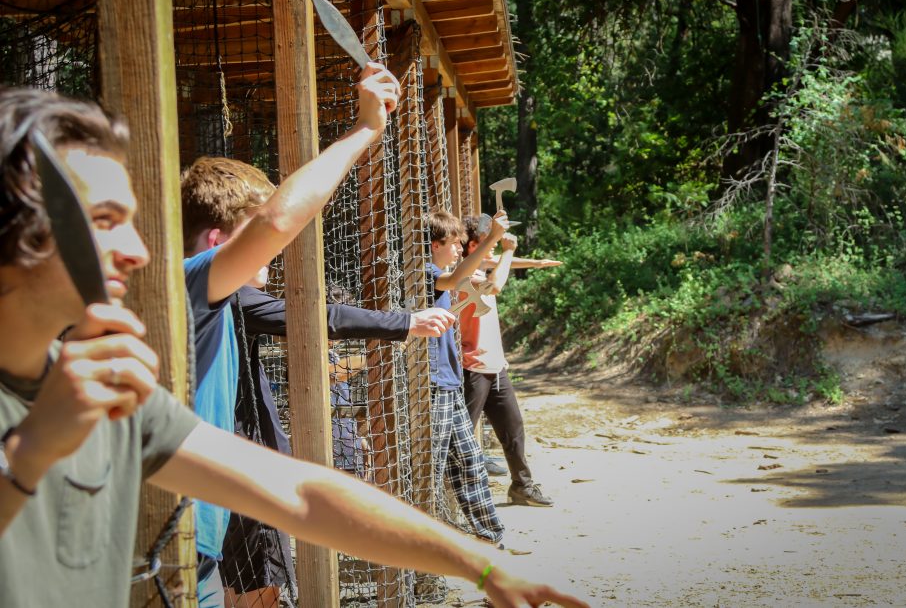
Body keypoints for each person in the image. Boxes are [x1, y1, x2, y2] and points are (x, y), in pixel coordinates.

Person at [0, 86, 589, 608]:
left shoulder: (105, 393)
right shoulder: (68, 402)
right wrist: (28, 457)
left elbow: (300, 492)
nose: (137, 249)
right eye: (103, 220)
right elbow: (276, 222)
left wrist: (481, 566)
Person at [178, 62, 407, 606]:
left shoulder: (214, 299)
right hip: (173, 543)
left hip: (200, 537)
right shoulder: (188, 283)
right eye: (253, 243)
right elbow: (279, 221)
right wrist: (365, 132)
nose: (272, 258)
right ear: (216, 241)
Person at [221, 278, 454, 606]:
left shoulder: (218, 295)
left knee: (241, 580)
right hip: (256, 466)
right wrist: (404, 324)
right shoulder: (232, 295)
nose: (271, 259)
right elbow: (318, 319)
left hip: (253, 460)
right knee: (257, 579)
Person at [459, 215, 554, 507]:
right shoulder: (464, 274)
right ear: (473, 246)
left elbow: (498, 263)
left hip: (495, 367)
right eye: (488, 246)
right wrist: (509, 252)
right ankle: (460, 497)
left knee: (513, 429)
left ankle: (522, 487)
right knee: (462, 436)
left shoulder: (482, 264)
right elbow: (495, 283)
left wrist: (535, 263)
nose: (494, 252)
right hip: (471, 367)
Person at [427, 210, 510, 545]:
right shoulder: (425, 271)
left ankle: (491, 538)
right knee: (428, 471)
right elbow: (455, 279)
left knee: (471, 461)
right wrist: (492, 239)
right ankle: (422, 549)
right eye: (455, 244)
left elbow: (478, 278)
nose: (460, 250)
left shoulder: (444, 269)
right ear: (434, 245)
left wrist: (508, 253)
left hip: (449, 383)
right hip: (433, 387)